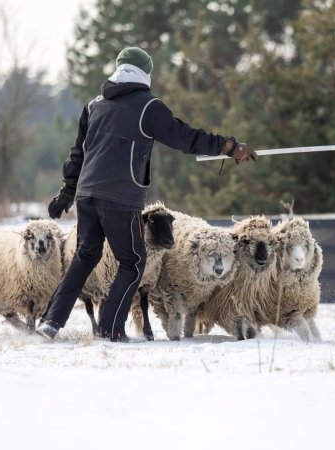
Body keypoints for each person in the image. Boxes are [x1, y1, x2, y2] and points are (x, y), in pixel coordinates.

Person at [37, 46, 257, 342]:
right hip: (120, 198)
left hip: (87, 196)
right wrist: (229, 147)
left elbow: (77, 154)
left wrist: (66, 193)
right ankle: (111, 329)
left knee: (85, 257)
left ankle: (51, 322)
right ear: (145, 73)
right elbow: (185, 137)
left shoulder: (93, 106)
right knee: (134, 261)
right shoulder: (148, 107)